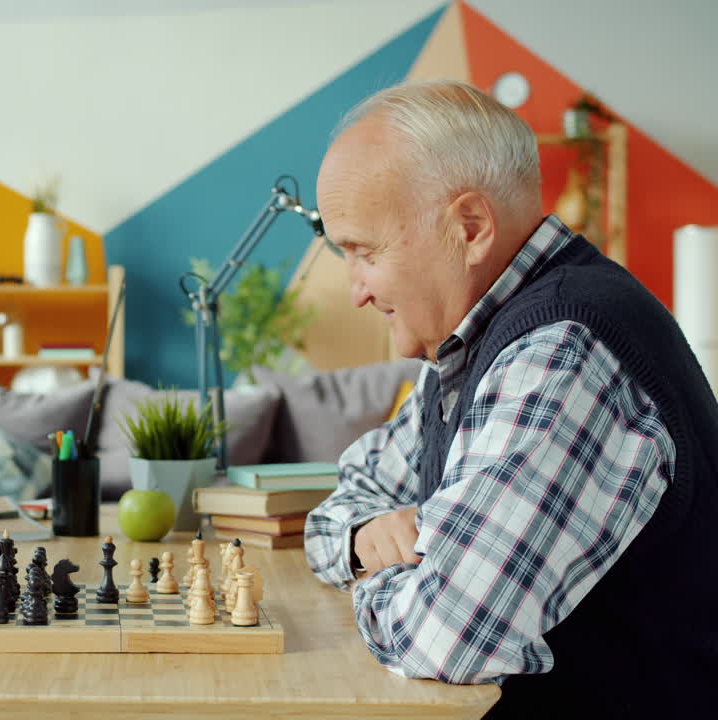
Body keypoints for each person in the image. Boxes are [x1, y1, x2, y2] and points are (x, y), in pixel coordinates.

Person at [304, 81, 715, 717]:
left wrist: (381, 569)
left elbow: (447, 638)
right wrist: (364, 536)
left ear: (469, 227)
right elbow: (356, 485)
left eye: (365, 251)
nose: (356, 290)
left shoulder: (561, 357)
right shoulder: (472, 343)